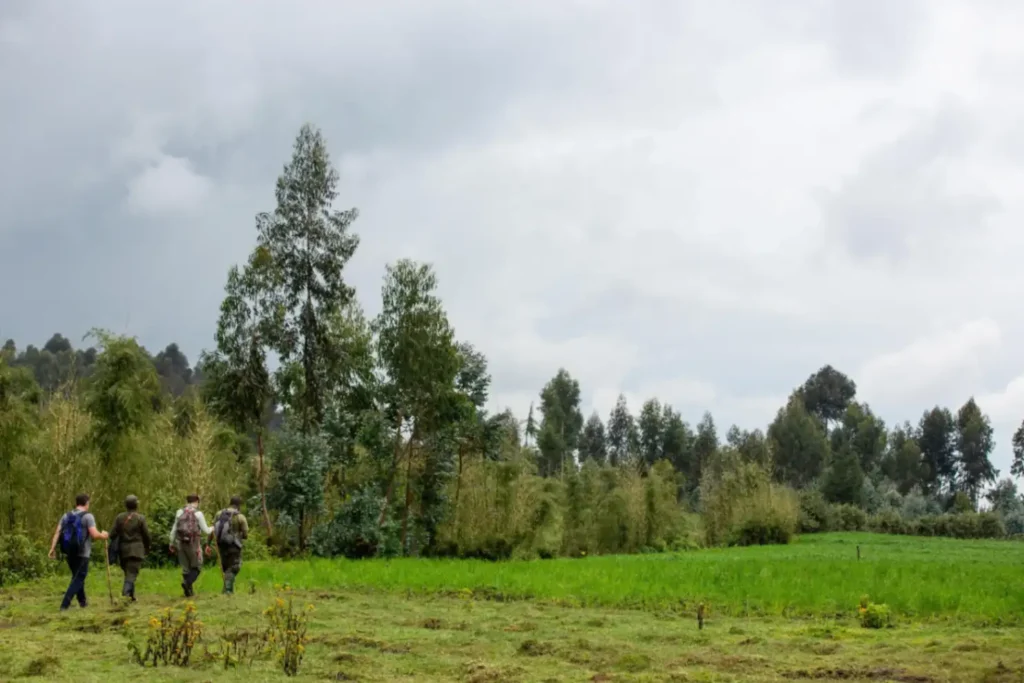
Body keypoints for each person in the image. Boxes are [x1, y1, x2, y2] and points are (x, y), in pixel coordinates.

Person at [48, 493, 109, 611]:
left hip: (69, 552)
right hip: (82, 553)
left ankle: (83, 603)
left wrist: (52, 548)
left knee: (77, 577)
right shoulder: (88, 516)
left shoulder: (66, 516)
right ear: (87, 503)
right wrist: (104, 535)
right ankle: (64, 605)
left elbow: (57, 532)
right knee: (78, 578)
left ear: (76, 503)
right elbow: (95, 535)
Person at [109, 494, 152, 601]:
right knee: (132, 574)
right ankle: (125, 594)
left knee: (129, 573)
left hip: (123, 550)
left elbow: (112, 534)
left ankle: (131, 597)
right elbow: (146, 535)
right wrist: (148, 547)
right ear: (136, 505)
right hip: (137, 550)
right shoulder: (140, 518)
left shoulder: (120, 517)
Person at [168, 494, 212, 597]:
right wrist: (212, 528)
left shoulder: (179, 512)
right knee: (197, 566)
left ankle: (188, 592)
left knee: (185, 568)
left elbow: (174, 529)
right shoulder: (198, 514)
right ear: (197, 501)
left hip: (180, 543)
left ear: (186, 501)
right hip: (194, 544)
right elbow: (206, 530)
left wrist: (171, 543)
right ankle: (187, 583)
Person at [211, 496, 249, 594]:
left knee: (226, 567)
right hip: (234, 547)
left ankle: (228, 590)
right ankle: (227, 590)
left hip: (221, 545)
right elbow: (245, 534)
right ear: (238, 505)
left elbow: (213, 529)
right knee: (234, 567)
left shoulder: (219, 514)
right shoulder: (240, 517)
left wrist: (208, 543)